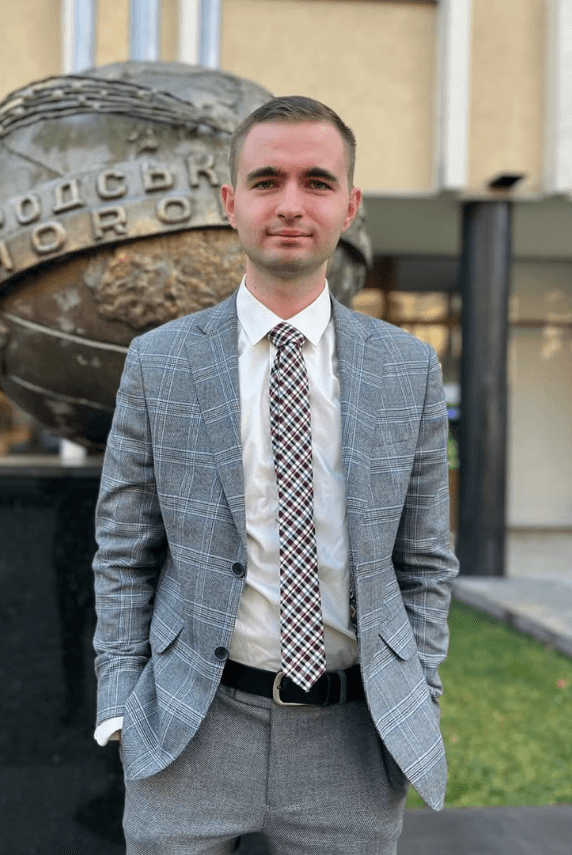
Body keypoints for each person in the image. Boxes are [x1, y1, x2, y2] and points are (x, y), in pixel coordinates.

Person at [93, 95, 459, 855]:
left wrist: (417, 690)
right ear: (231, 202)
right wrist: (121, 701)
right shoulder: (159, 361)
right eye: (267, 180)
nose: (291, 204)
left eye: (317, 181)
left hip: (351, 739)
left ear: (350, 205)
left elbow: (424, 560)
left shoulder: (408, 368)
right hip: (190, 725)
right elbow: (124, 548)